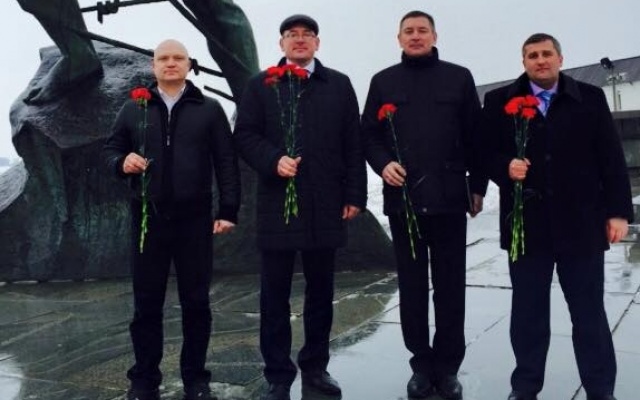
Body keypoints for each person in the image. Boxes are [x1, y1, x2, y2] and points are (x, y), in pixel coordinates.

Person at [481, 33, 633, 400]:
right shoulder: (499, 101)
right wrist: (505, 167)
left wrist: (618, 212)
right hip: (527, 225)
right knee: (528, 313)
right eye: (532, 55)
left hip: (581, 222)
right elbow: (482, 152)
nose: (540, 60)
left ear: (560, 59)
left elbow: (610, 157)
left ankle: (600, 388)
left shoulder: (590, 98)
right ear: (524, 62)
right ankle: (525, 387)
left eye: (546, 53)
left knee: (588, 312)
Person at [233, 14, 367, 400]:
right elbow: (245, 135)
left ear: (317, 44)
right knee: (274, 295)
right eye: (292, 35)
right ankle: (278, 374)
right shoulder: (261, 85)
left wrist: (355, 195)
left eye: (308, 35)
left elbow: (352, 142)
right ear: (281, 44)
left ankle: (316, 367)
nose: (300, 40)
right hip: (278, 202)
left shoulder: (338, 84)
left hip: (325, 202)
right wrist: (273, 159)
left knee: (321, 292)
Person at [102, 39, 240, 400]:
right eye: (163, 58)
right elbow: (111, 150)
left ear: (189, 65)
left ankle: (196, 379)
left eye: (178, 58)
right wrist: (121, 162)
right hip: (148, 218)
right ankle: (144, 379)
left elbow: (226, 162)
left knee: (196, 302)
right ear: (153, 66)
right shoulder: (133, 108)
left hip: (194, 219)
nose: (171, 63)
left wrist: (228, 210)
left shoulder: (209, 109)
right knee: (146, 303)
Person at [361, 10, 487, 400]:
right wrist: (383, 164)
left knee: (450, 287)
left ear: (434, 36)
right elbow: (369, 135)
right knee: (412, 287)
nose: (416, 36)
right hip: (405, 201)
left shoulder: (458, 77)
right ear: (399, 38)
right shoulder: (383, 81)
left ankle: (447, 367)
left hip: (449, 198)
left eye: (422, 30)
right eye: (409, 31)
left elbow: (475, 135)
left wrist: (477, 187)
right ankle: (420, 364)